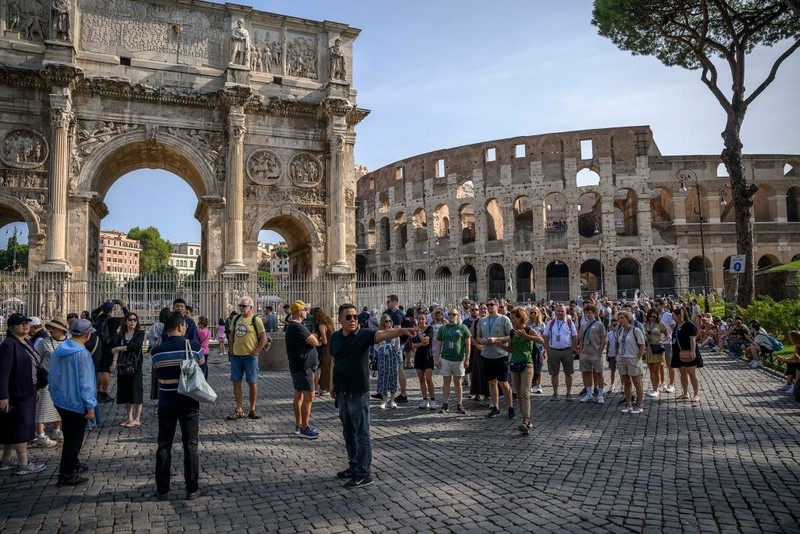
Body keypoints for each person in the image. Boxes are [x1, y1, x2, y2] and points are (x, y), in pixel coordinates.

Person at [330, 303, 416, 488]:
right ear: (340, 319)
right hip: (342, 392)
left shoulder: (364, 335)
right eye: (348, 317)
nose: (353, 320)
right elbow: (334, 362)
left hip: (358, 393)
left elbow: (383, 334)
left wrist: (402, 331)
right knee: (348, 433)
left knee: (362, 433)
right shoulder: (335, 338)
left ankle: (364, 473)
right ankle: (353, 466)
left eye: (355, 317)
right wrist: (332, 384)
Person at [151, 312, 204, 500]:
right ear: (182, 327)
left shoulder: (156, 351)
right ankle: (192, 488)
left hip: (166, 401)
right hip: (189, 402)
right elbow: (202, 371)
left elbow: (157, 373)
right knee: (190, 445)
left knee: (164, 445)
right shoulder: (195, 347)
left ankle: (162, 489)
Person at [49, 319, 98, 487]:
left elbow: (52, 376)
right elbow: (86, 382)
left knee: (72, 437)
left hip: (62, 400)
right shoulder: (82, 354)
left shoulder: (59, 350)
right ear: (87, 334)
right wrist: (90, 404)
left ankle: (73, 463)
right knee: (74, 440)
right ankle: (66, 473)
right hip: (77, 403)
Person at [0, 314, 46, 475]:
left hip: (29, 389)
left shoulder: (25, 341)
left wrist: (37, 388)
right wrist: (3, 395)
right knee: (21, 427)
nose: (25, 325)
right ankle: (23, 463)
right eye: (21, 324)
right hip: (16, 393)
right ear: (12, 327)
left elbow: (32, 366)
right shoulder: (8, 344)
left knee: (12, 427)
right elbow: (3, 372)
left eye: (26, 323)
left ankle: (5, 460)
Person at [227, 296, 268, 420]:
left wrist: (256, 351)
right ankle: (239, 408)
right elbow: (231, 334)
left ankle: (252, 408)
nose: (241, 308)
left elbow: (263, 338)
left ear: (251, 307)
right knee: (236, 382)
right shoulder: (236, 318)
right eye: (240, 306)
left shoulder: (256, 320)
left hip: (250, 357)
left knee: (252, 382)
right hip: (236, 355)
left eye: (244, 306)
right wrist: (230, 349)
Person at [33, 317, 70, 448]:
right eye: (50, 327)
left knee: (60, 406)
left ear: (61, 330)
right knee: (43, 406)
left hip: (63, 379)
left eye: (53, 328)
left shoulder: (69, 342)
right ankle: (40, 435)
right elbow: (37, 359)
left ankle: (56, 430)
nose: (50, 330)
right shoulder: (44, 342)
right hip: (46, 378)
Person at [504, 308, 542, 435]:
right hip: (515, 364)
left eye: (513, 317)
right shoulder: (512, 332)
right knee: (519, 393)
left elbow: (541, 340)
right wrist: (501, 346)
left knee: (525, 392)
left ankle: (526, 420)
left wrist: (526, 336)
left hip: (527, 364)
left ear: (521, 318)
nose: (511, 319)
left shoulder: (527, 329)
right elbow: (511, 349)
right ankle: (525, 419)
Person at [285, 301, 320, 438]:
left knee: (299, 394)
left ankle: (299, 425)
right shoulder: (297, 327)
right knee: (309, 395)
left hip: (299, 365)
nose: (306, 311)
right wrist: (314, 337)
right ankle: (305, 427)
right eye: (305, 309)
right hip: (303, 366)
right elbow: (315, 341)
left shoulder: (294, 326)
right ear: (299, 311)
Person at [475, 300, 514, 418]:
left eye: (492, 305)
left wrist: (497, 339)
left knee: (503, 382)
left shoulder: (504, 319)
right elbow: (478, 336)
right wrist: (481, 341)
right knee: (491, 382)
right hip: (487, 355)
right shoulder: (482, 320)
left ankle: (510, 407)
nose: (489, 307)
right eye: (487, 305)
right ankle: (495, 407)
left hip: (500, 355)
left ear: (497, 306)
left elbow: (511, 335)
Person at [435, 308, 471, 415]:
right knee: (446, 382)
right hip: (446, 358)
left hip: (459, 359)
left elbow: (468, 345)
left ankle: (459, 404)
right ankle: (445, 403)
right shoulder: (443, 328)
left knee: (458, 382)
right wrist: (437, 358)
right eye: (450, 314)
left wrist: (467, 358)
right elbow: (438, 344)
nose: (451, 316)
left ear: (458, 315)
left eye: (454, 314)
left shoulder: (463, 327)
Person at [92, 299, 129, 403]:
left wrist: (103, 305)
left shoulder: (97, 318)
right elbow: (128, 317)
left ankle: (99, 392)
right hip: (110, 347)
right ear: (111, 310)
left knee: (100, 370)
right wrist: (123, 306)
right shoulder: (114, 321)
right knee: (107, 371)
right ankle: (104, 392)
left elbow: (93, 312)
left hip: (99, 346)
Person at [543, 304, 579, 401]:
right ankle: (555, 393)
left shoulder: (569, 322)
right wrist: (547, 349)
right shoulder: (550, 323)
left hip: (567, 350)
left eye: (562, 311)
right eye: (558, 311)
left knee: (568, 373)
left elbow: (575, 336)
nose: (560, 313)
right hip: (553, 351)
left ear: (565, 312)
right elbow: (545, 336)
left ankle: (568, 393)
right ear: (555, 312)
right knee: (554, 374)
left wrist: (573, 348)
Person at [577, 304, 607, 405]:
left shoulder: (599, 324)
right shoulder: (583, 325)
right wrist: (581, 351)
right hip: (585, 353)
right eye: (586, 312)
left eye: (590, 312)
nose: (588, 314)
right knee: (587, 373)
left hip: (596, 353)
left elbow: (604, 340)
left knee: (599, 373)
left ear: (594, 313)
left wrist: (600, 352)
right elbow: (580, 338)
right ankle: (589, 393)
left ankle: (600, 394)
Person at [616, 311, 646, 414]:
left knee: (637, 383)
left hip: (633, 358)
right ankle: (628, 404)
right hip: (622, 358)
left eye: (622, 318)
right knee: (626, 382)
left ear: (628, 318)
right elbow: (619, 344)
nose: (620, 320)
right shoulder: (620, 331)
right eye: (619, 318)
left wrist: (638, 357)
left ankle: (639, 405)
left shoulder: (635, 330)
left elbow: (642, 345)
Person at [672, 307, 702, 404]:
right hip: (679, 351)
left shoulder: (689, 325)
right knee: (683, 372)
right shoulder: (678, 325)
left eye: (674, 315)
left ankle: (696, 394)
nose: (672, 317)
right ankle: (685, 393)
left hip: (689, 351)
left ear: (679, 315)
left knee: (692, 372)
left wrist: (693, 351)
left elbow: (692, 339)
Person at [383, 294, 409, 403]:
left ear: (394, 302)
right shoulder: (392, 313)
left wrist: (395, 347)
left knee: (399, 369)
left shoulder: (397, 315)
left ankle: (403, 394)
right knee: (395, 369)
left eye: (388, 301)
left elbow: (397, 333)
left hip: (397, 346)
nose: (387, 303)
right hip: (394, 345)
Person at [411, 313, 435, 410]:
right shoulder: (414, 331)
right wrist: (420, 343)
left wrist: (419, 333)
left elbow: (426, 340)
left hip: (428, 355)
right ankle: (424, 399)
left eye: (422, 319)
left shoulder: (430, 328)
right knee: (421, 379)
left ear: (425, 320)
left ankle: (433, 399)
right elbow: (412, 346)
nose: (421, 321)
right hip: (419, 356)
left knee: (428, 379)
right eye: (419, 319)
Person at [643, 311, 669, 398]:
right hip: (648, 349)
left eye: (654, 317)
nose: (652, 318)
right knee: (651, 371)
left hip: (657, 348)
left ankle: (656, 389)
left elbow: (667, 335)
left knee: (656, 370)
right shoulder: (645, 325)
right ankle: (654, 387)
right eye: (650, 316)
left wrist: (662, 341)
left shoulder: (660, 324)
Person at [311, 307, 334, 396]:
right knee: (330, 366)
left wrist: (317, 340)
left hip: (326, 347)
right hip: (332, 344)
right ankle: (327, 386)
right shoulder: (328, 320)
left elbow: (324, 341)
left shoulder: (321, 325)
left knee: (326, 367)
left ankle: (326, 387)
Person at [528, 306, 547, 394]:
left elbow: (544, 338)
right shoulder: (527, 324)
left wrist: (545, 350)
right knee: (530, 367)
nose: (533, 314)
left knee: (539, 367)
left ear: (538, 313)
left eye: (535, 312)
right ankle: (530, 384)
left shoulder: (542, 324)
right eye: (531, 312)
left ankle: (539, 385)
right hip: (529, 348)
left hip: (539, 348)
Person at [606, 318, 619, 393]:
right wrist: (607, 355)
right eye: (614, 325)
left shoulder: (620, 332)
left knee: (621, 371)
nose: (615, 326)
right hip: (612, 354)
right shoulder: (609, 333)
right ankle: (612, 384)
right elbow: (608, 344)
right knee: (612, 370)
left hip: (619, 354)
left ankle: (622, 386)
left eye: (617, 325)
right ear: (611, 325)